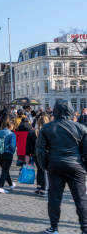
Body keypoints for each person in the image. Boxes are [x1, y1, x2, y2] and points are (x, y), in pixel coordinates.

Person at [37, 99, 87, 234]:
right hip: (75, 166)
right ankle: (85, 228)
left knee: (54, 198)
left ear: (55, 110)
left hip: (55, 165)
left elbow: (40, 151)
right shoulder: (81, 128)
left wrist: (45, 166)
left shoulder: (47, 128)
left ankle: (54, 227)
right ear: (70, 111)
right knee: (81, 199)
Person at [26, 114, 49, 197]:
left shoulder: (32, 132)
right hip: (46, 153)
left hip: (35, 154)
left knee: (40, 170)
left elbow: (28, 145)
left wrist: (27, 154)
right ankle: (43, 189)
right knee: (43, 171)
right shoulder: (49, 132)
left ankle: (39, 187)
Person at [0, 117, 16, 194]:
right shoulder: (12, 134)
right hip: (7, 154)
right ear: (10, 126)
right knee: (5, 170)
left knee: (5, 169)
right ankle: (1, 187)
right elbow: (12, 146)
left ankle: (11, 185)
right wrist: (12, 152)